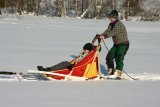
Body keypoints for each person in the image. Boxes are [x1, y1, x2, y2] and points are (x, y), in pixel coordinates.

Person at [92, 10, 129, 79]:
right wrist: (100, 35)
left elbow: (112, 33)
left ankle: (118, 73)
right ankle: (111, 70)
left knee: (119, 57)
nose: (110, 19)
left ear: (115, 17)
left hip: (123, 44)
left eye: (111, 17)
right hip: (116, 44)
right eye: (109, 17)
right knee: (109, 56)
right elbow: (107, 31)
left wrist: (105, 36)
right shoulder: (111, 24)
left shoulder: (119, 25)